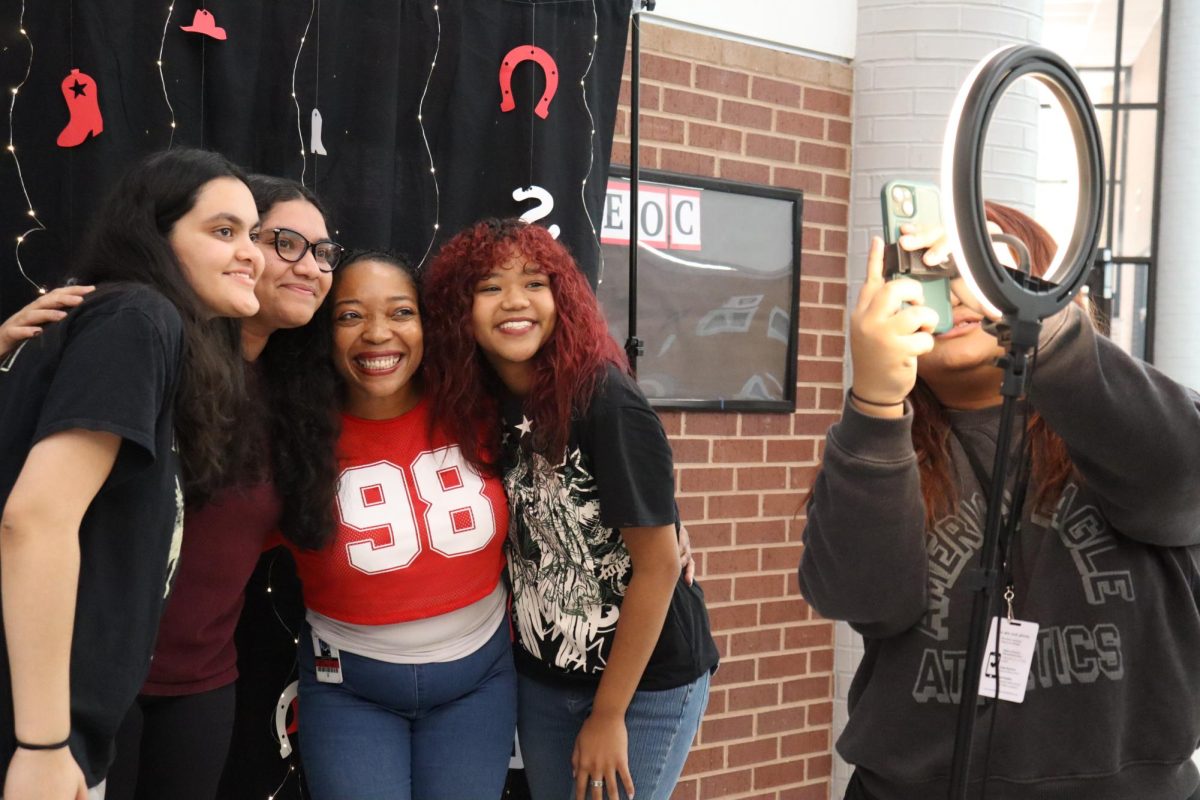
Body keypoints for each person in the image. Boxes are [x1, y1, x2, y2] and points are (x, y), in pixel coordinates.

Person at [798, 203, 1200, 800]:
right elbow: (864, 600)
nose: (956, 290)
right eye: (923, 275)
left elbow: (1180, 478)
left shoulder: (1121, 417)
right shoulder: (878, 451)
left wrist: (1040, 328)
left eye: (984, 263)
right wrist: (875, 405)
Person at [422, 218, 719, 800]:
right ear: (460, 308)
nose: (514, 301)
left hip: (643, 684)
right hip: (543, 674)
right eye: (489, 287)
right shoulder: (475, 403)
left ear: (562, 296)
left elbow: (658, 567)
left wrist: (609, 716)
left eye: (535, 282)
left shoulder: (603, 398)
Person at [0, 147, 264, 800]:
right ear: (154, 234)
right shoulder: (140, 319)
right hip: (35, 738)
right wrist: (41, 744)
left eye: (253, 234)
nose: (251, 253)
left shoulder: (144, 327)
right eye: (223, 231)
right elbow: (34, 519)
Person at [103, 175, 342, 800]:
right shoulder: (152, 347)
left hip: (201, 687)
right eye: (286, 242)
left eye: (322, 253)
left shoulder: (295, 393)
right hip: (95, 681)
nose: (311, 267)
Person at [273, 251, 517, 800]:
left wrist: (660, 524)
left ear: (427, 324)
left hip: (479, 685)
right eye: (351, 316)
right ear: (322, 331)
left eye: (401, 312)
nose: (378, 334)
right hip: (348, 690)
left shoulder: (478, 407)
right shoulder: (290, 438)